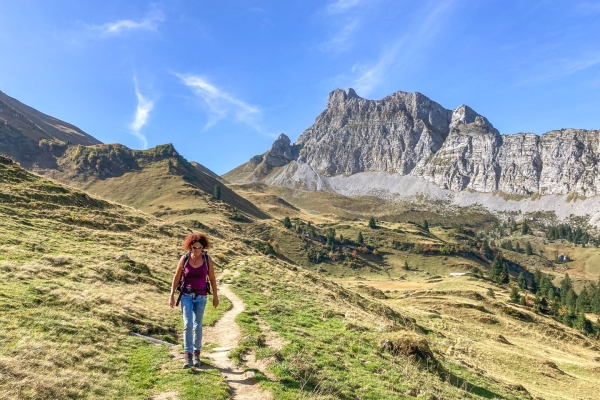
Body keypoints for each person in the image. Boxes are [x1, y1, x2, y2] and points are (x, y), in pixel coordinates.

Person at [169, 233, 219, 368]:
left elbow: (212, 279)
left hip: (201, 296)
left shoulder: (207, 259)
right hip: (186, 295)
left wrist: (215, 296)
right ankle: (188, 355)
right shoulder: (184, 258)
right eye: (194, 247)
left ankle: (197, 353)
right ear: (190, 246)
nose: (197, 250)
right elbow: (177, 276)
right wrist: (172, 294)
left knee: (198, 325)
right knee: (188, 324)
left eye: (199, 247)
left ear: (203, 247)